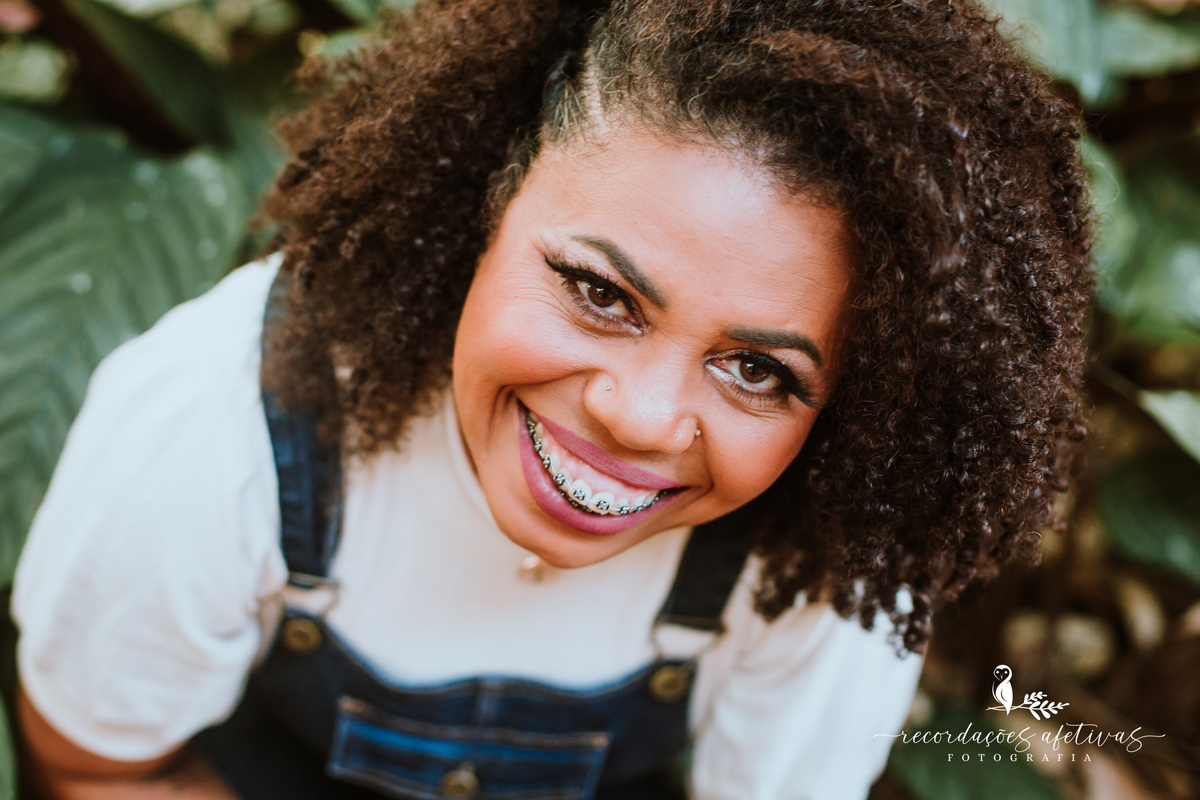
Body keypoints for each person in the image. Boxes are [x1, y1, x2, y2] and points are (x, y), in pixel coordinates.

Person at [11, 0, 1093, 798]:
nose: (640, 415)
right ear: (482, 202)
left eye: (758, 370)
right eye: (600, 292)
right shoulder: (217, 423)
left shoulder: (830, 556)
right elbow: (101, 767)